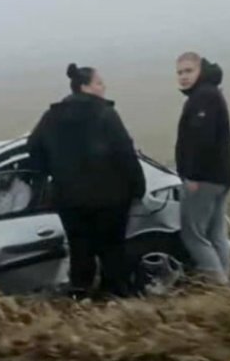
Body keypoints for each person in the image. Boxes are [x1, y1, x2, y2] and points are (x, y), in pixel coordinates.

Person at [28, 63, 146, 299]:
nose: (104, 87)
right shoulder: (105, 114)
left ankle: (80, 295)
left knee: (80, 249)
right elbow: (125, 153)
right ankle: (114, 296)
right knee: (112, 250)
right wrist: (138, 187)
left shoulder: (52, 116)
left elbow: (33, 147)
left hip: (69, 199)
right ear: (85, 87)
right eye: (99, 83)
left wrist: (52, 173)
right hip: (110, 199)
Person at [174, 52, 230, 285]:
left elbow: (202, 140)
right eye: (179, 72)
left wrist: (192, 175)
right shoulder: (210, 94)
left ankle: (218, 287)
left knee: (194, 236)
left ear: (201, 70)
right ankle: (225, 285)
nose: (183, 77)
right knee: (215, 234)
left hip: (204, 179)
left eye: (189, 71)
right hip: (220, 177)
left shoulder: (203, 97)